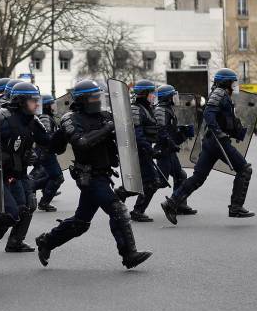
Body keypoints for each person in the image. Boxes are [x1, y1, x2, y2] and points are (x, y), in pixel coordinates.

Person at [34, 79, 152, 270]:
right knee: (118, 210)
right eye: (94, 97)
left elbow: (123, 136)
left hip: (104, 174)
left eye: (99, 96)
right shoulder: (70, 119)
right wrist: (106, 129)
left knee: (81, 222)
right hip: (88, 176)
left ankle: (47, 241)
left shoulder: (104, 115)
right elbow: (79, 142)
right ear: (83, 99)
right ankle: (129, 255)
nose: (98, 100)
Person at [161, 68, 255, 224]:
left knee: (198, 177)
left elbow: (223, 118)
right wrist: (219, 133)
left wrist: (237, 131)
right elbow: (208, 114)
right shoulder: (220, 93)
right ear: (226, 82)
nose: (234, 85)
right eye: (232, 82)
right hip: (218, 142)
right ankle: (236, 207)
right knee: (244, 169)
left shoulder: (220, 94)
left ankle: (171, 203)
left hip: (211, 142)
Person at [0, 81, 54, 253]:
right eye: (32, 100)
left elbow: (48, 142)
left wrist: (64, 134)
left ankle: (14, 241)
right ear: (21, 101)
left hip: (16, 173)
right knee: (5, 214)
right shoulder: (2, 117)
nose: (36, 104)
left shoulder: (32, 121)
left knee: (25, 207)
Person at [116, 79, 164, 223]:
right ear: (144, 94)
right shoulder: (136, 109)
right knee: (152, 182)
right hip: (138, 151)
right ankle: (137, 210)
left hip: (144, 150)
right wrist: (150, 150)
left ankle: (121, 193)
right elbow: (137, 134)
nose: (153, 95)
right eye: (151, 93)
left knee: (145, 181)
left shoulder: (147, 108)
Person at [154, 84, 196, 215]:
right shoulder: (161, 110)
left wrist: (183, 133)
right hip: (163, 152)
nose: (175, 98)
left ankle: (178, 205)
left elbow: (171, 134)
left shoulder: (169, 110)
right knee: (159, 182)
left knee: (180, 176)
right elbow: (162, 132)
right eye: (173, 95)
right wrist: (172, 143)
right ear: (167, 97)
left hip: (170, 151)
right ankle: (126, 195)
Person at [29, 93, 65, 212]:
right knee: (57, 177)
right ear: (46, 106)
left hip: (44, 152)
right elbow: (47, 137)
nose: (53, 107)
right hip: (45, 152)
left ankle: (31, 187)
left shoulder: (45, 116)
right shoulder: (45, 118)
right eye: (51, 104)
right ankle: (38, 196)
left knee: (52, 176)